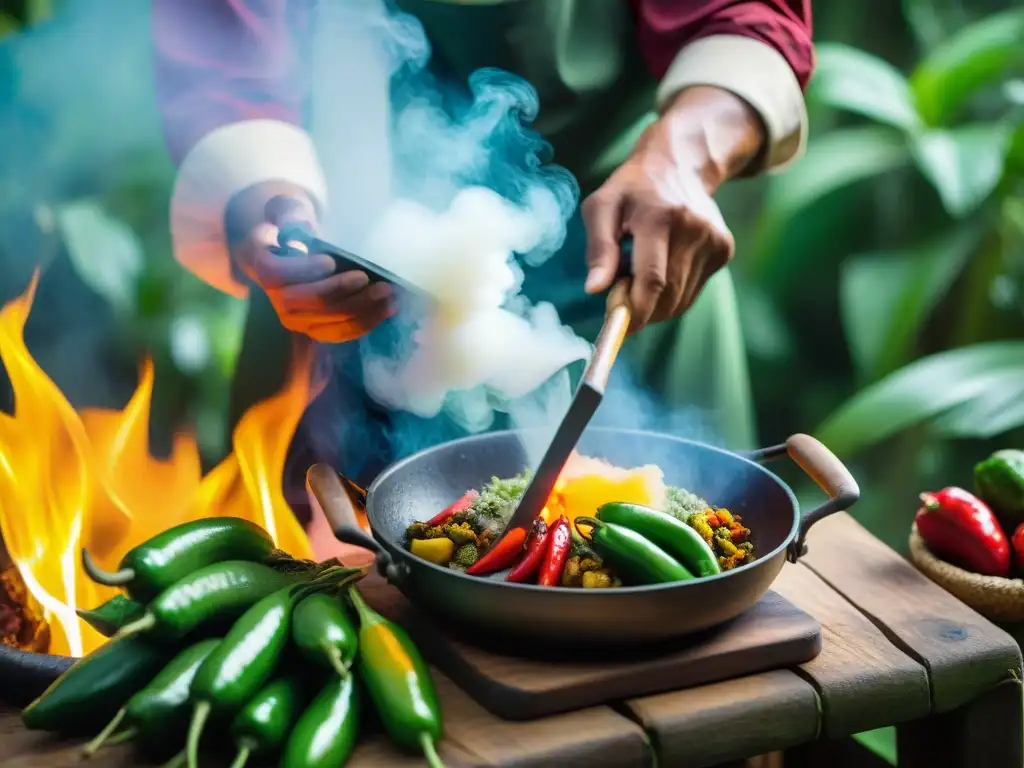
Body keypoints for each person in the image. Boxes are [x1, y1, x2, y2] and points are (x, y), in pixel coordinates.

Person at [153, 0, 814, 490]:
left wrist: (681, 160)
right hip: (329, 288)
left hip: (633, 275)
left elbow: (746, 13)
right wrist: (266, 204)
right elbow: (223, 34)